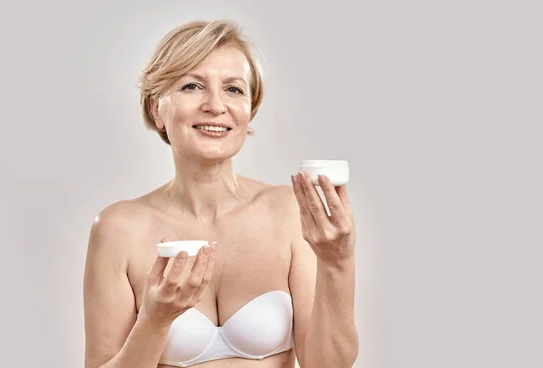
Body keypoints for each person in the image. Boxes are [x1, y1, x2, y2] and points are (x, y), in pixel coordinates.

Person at [83, 19, 359, 368]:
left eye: (233, 89)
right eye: (192, 86)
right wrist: (155, 319)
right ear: (157, 110)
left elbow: (328, 365)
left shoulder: (289, 212)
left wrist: (338, 261)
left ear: (248, 110)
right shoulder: (118, 228)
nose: (216, 106)